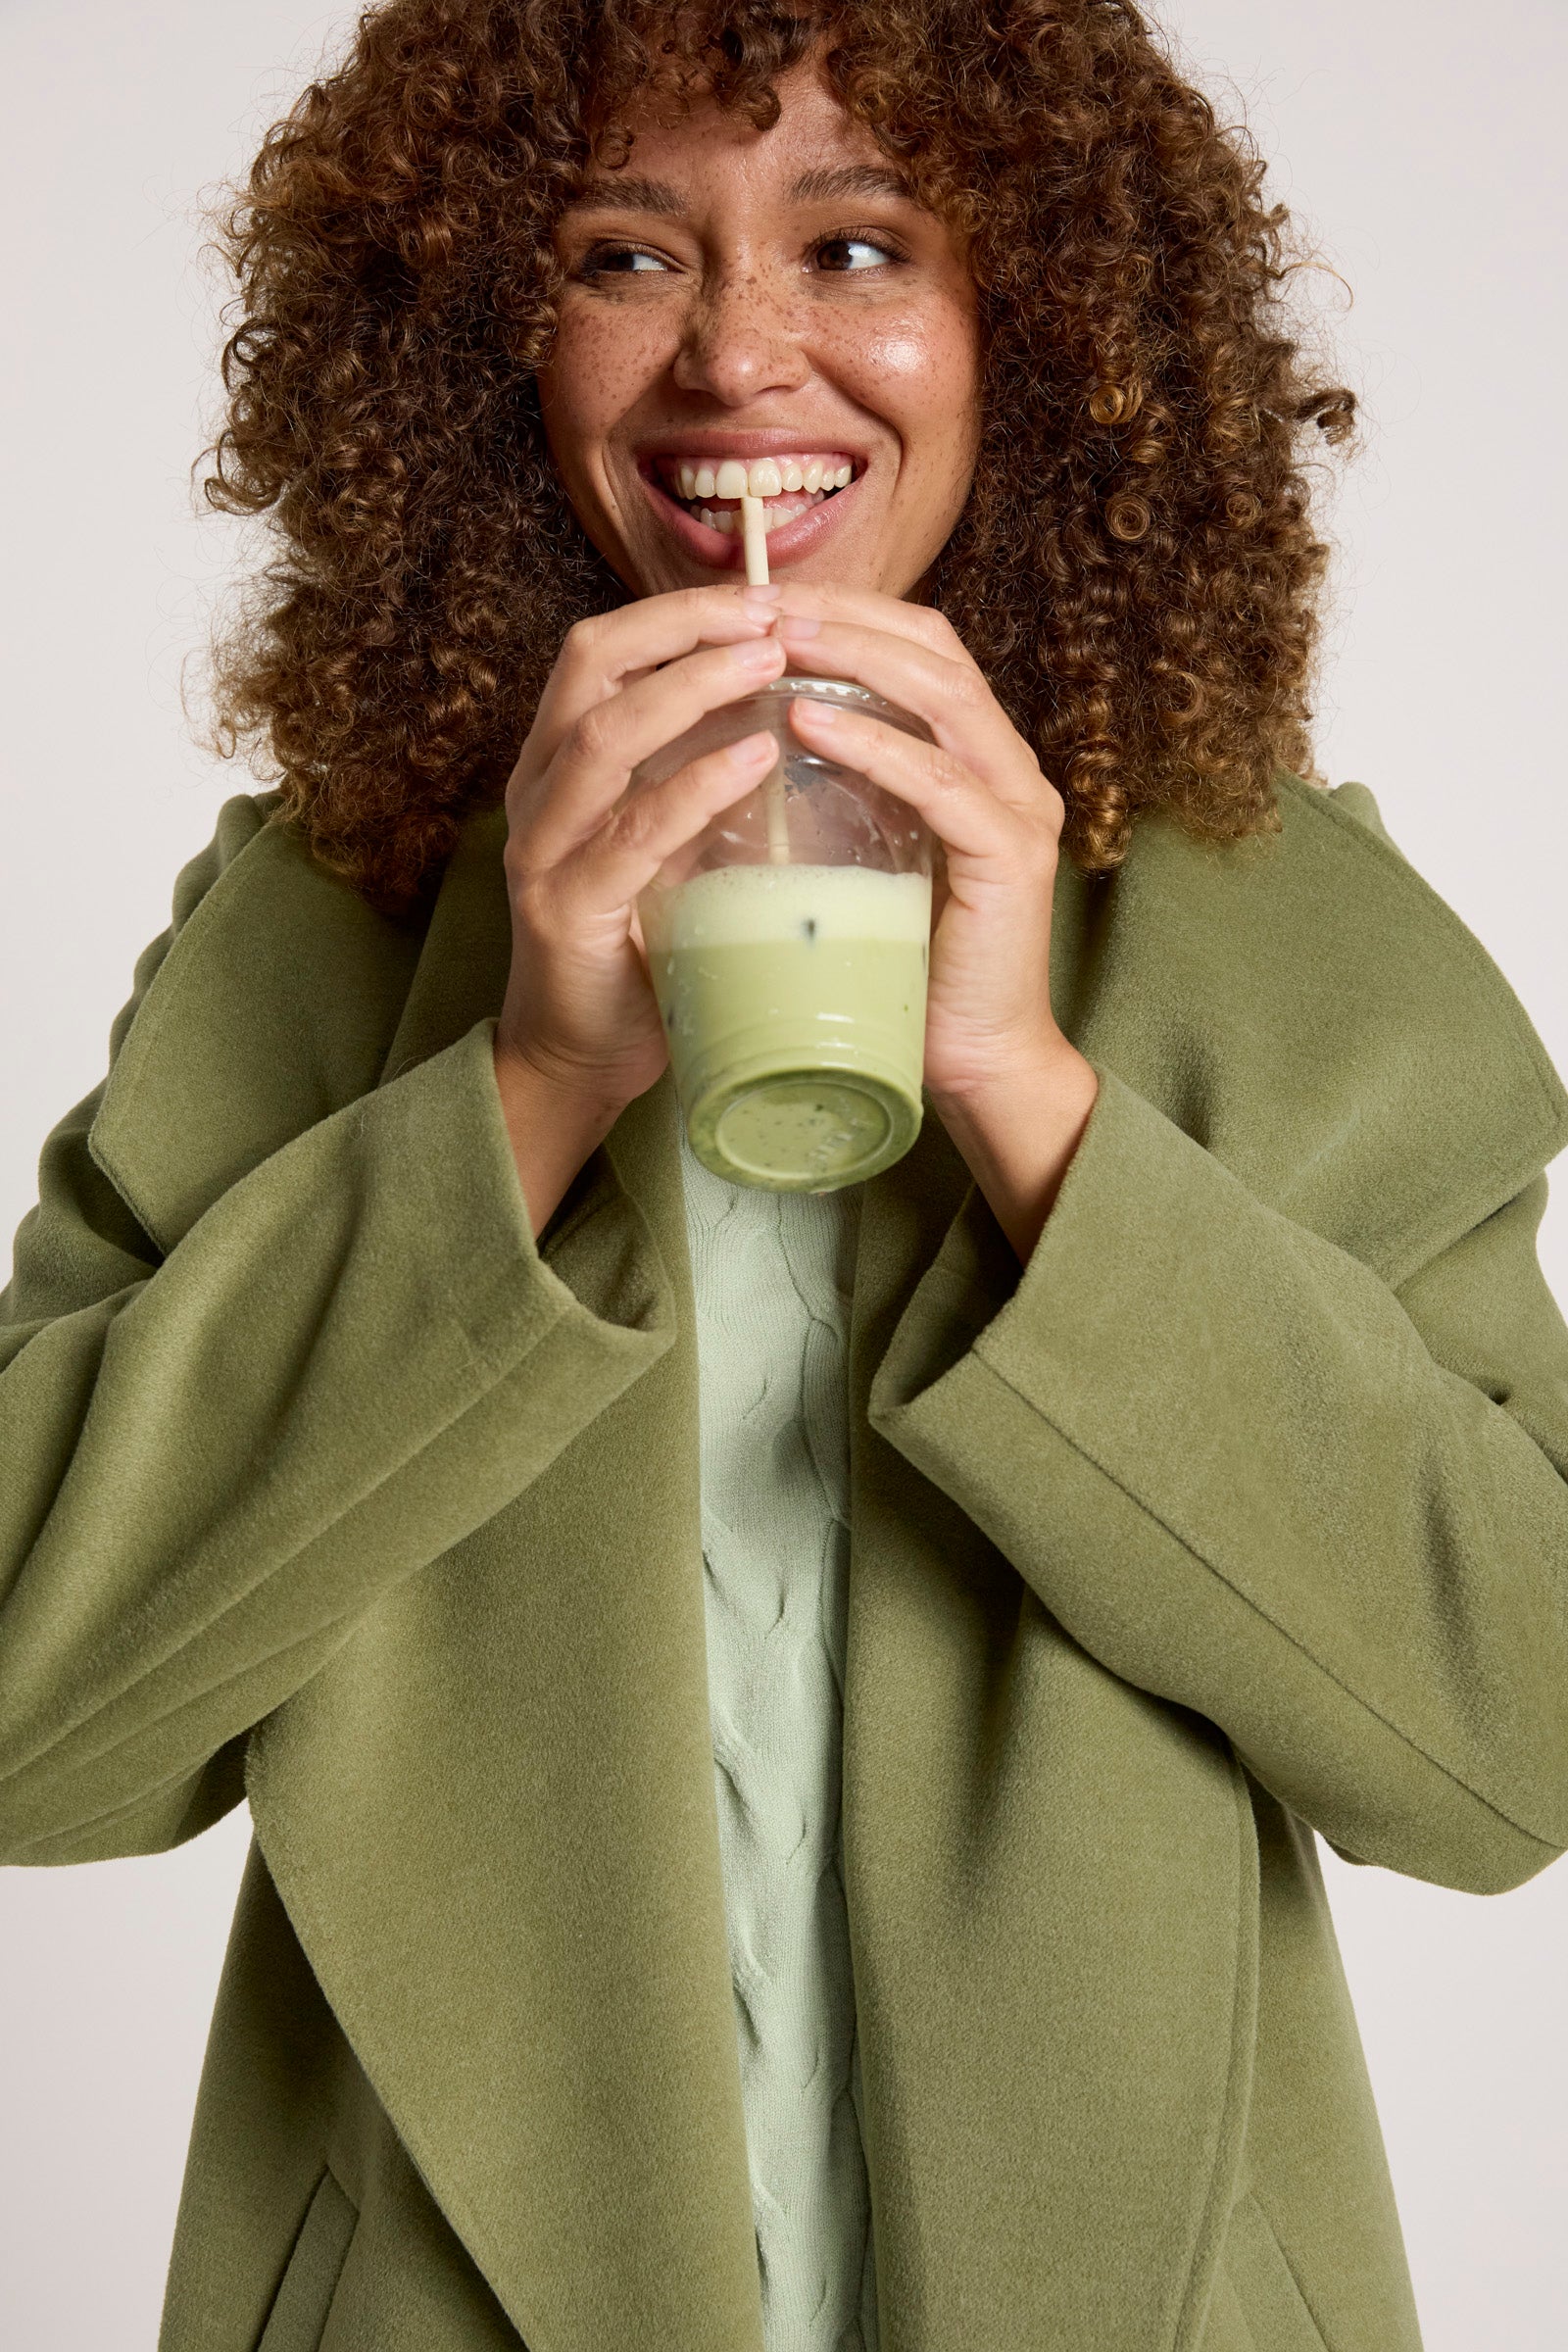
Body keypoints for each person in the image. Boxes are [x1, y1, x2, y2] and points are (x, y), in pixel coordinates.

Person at [3, 2, 1566, 2348]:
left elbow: (1508, 1753)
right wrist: (528, 1081)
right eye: (621, 253)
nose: (737, 355)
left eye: (854, 245)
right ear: (485, 340)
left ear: (1035, 325)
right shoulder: (318, 935)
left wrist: (1024, 1095)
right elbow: (31, 1737)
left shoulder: (1284, 947)